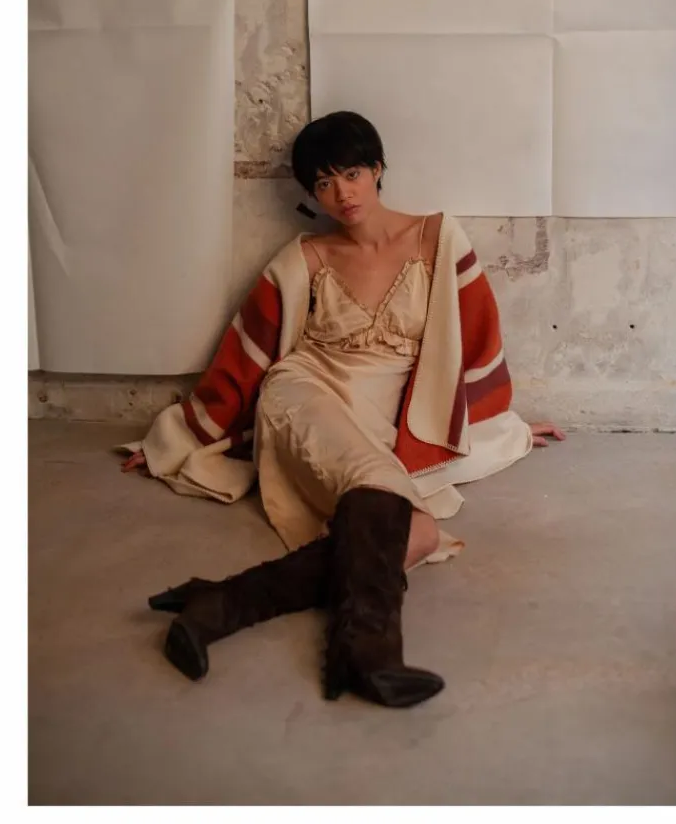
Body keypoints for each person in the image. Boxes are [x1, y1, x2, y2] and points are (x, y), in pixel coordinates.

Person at [121, 111, 564, 708]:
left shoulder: (438, 238)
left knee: (419, 532)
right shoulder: (304, 257)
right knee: (402, 519)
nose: (342, 193)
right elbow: (245, 357)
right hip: (304, 396)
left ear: (378, 168)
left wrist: (496, 423)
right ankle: (370, 654)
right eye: (324, 183)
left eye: (352, 173)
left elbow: (478, 340)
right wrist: (179, 437)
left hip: (383, 419)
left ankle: (219, 603)